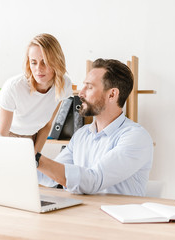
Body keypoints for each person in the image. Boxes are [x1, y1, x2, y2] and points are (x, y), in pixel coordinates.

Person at [35, 58, 153, 197]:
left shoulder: (136, 137)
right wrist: (21, 156)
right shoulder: (81, 135)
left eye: (89, 87)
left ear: (112, 94)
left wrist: (36, 158)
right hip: (83, 214)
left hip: (116, 217)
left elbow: (94, 180)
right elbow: (50, 176)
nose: (80, 93)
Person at [0, 33, 73, 152]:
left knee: (30, 168)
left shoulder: (64, 85)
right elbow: (2, 134)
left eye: (45, 62)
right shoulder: (14, 87)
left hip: (31, 137)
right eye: (34, 62)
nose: (38, 69)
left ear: (56, 61)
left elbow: (47, 125)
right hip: (5, 135)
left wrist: (35, 155)